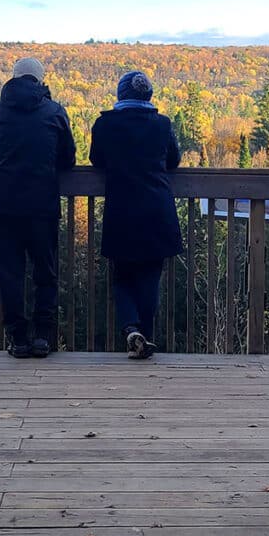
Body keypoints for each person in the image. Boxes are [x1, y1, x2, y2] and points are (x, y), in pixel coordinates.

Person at [0, 55, 75, 358]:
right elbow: (68, 158)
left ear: (14, 78)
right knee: (45, 272)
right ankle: (43, 337)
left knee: (10, 274)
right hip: (41, 206)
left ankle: (18, 338)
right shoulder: (55, 112)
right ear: (40, 80)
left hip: (3, 205)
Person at [88, 68, 183, 359]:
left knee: (122, 276)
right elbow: (174, 160)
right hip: (157, 209)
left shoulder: (105, 125)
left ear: (121, 95)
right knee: (150, 277)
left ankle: (131, 328)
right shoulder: (162, 124)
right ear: (148, 95)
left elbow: (96, 160)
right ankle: (147, 336)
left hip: (122, 210)